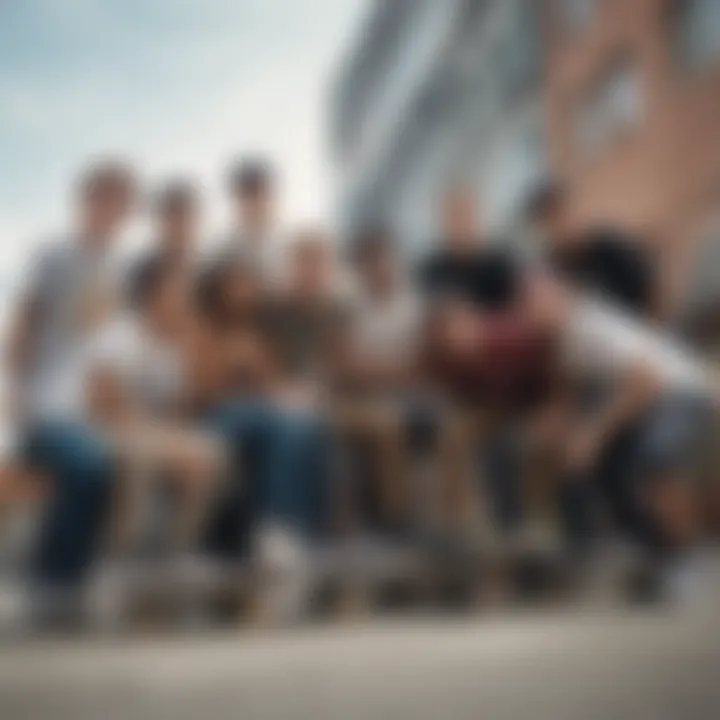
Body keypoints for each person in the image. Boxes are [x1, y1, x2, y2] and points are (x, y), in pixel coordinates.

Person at [6, 161, 136, 619]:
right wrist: (17, 395)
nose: (110, 210)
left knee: (112, 465)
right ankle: (52, 581)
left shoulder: (122, 268)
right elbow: (24, 323)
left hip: (93, 408)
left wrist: (117, 405)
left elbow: (112, 350)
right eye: (103, 198)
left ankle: (76, 580)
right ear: (85, 201)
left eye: (120, 203)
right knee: (87, 464)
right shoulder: (53, 254)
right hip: (47, 404)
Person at [526, 181, 657, 318]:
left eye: (558, 216)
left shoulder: (607, 245)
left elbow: (647, 290)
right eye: (546, 224)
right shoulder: (554, 269)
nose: (556, 228)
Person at [223, 158, 283, 285]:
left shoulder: (294, 250)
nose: (255, 202)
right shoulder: (224, 257)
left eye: (259, 192)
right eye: (247, 194)